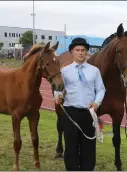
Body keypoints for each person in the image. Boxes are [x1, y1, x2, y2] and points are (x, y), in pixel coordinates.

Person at [53, 37, 106, 171]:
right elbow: (58, 89)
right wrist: (57, 97)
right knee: (71, 147)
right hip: (70, 113)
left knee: (88, 147)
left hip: (88, 113)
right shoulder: (65, 71)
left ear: (86, 52)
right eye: (77, 50)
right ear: (72, 52)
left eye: (83, 50)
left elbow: (101, 89)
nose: (80, 53)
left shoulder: (94, 71)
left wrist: (96, 103)